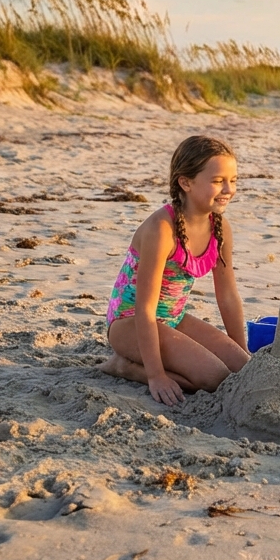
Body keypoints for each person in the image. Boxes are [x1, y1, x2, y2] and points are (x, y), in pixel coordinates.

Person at [98, 135, 249, 405]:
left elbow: (227, 296)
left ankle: (233, 361)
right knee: (214, 377)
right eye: (217, 181)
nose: (228, 189)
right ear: (185, 182)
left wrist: (243, 355)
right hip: (130, 322)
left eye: (233, 180)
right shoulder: (161, 229)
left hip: (173, 318)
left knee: (239, 369)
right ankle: (125, 367)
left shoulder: (220, 228)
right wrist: (155, 375)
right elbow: (145, 309)